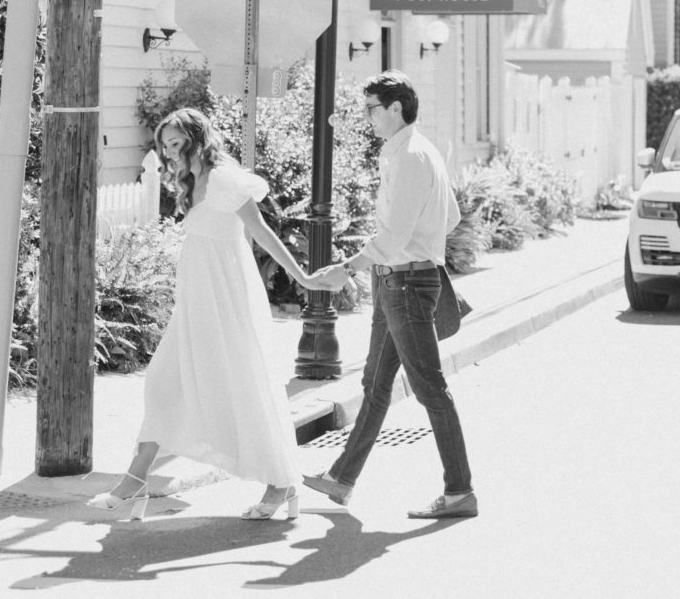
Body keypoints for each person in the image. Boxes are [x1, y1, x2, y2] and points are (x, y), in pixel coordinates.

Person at [87, 107, 341, 521]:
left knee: (245, 385)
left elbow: (261, 232)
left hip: (226, 300)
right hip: (195, 303)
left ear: (196, 138)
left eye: (175, 143)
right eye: (164, 145)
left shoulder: (223, 178)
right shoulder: (191, 182)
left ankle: (281, 482)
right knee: (163, 383)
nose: (169, 152)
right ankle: (135, 482)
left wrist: (304, 278)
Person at [302, 70, 476, 519]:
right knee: (375, 385)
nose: (368, 117)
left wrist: (346, 270)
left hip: (406, 283)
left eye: (372, 109)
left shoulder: (412, 157)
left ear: (396, 108)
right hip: (396, 281)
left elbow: (395, 236)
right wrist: (419, 243)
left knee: (430, 388)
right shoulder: (412, 151)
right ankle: (341, 478)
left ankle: (460, 492)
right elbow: (451, 217)